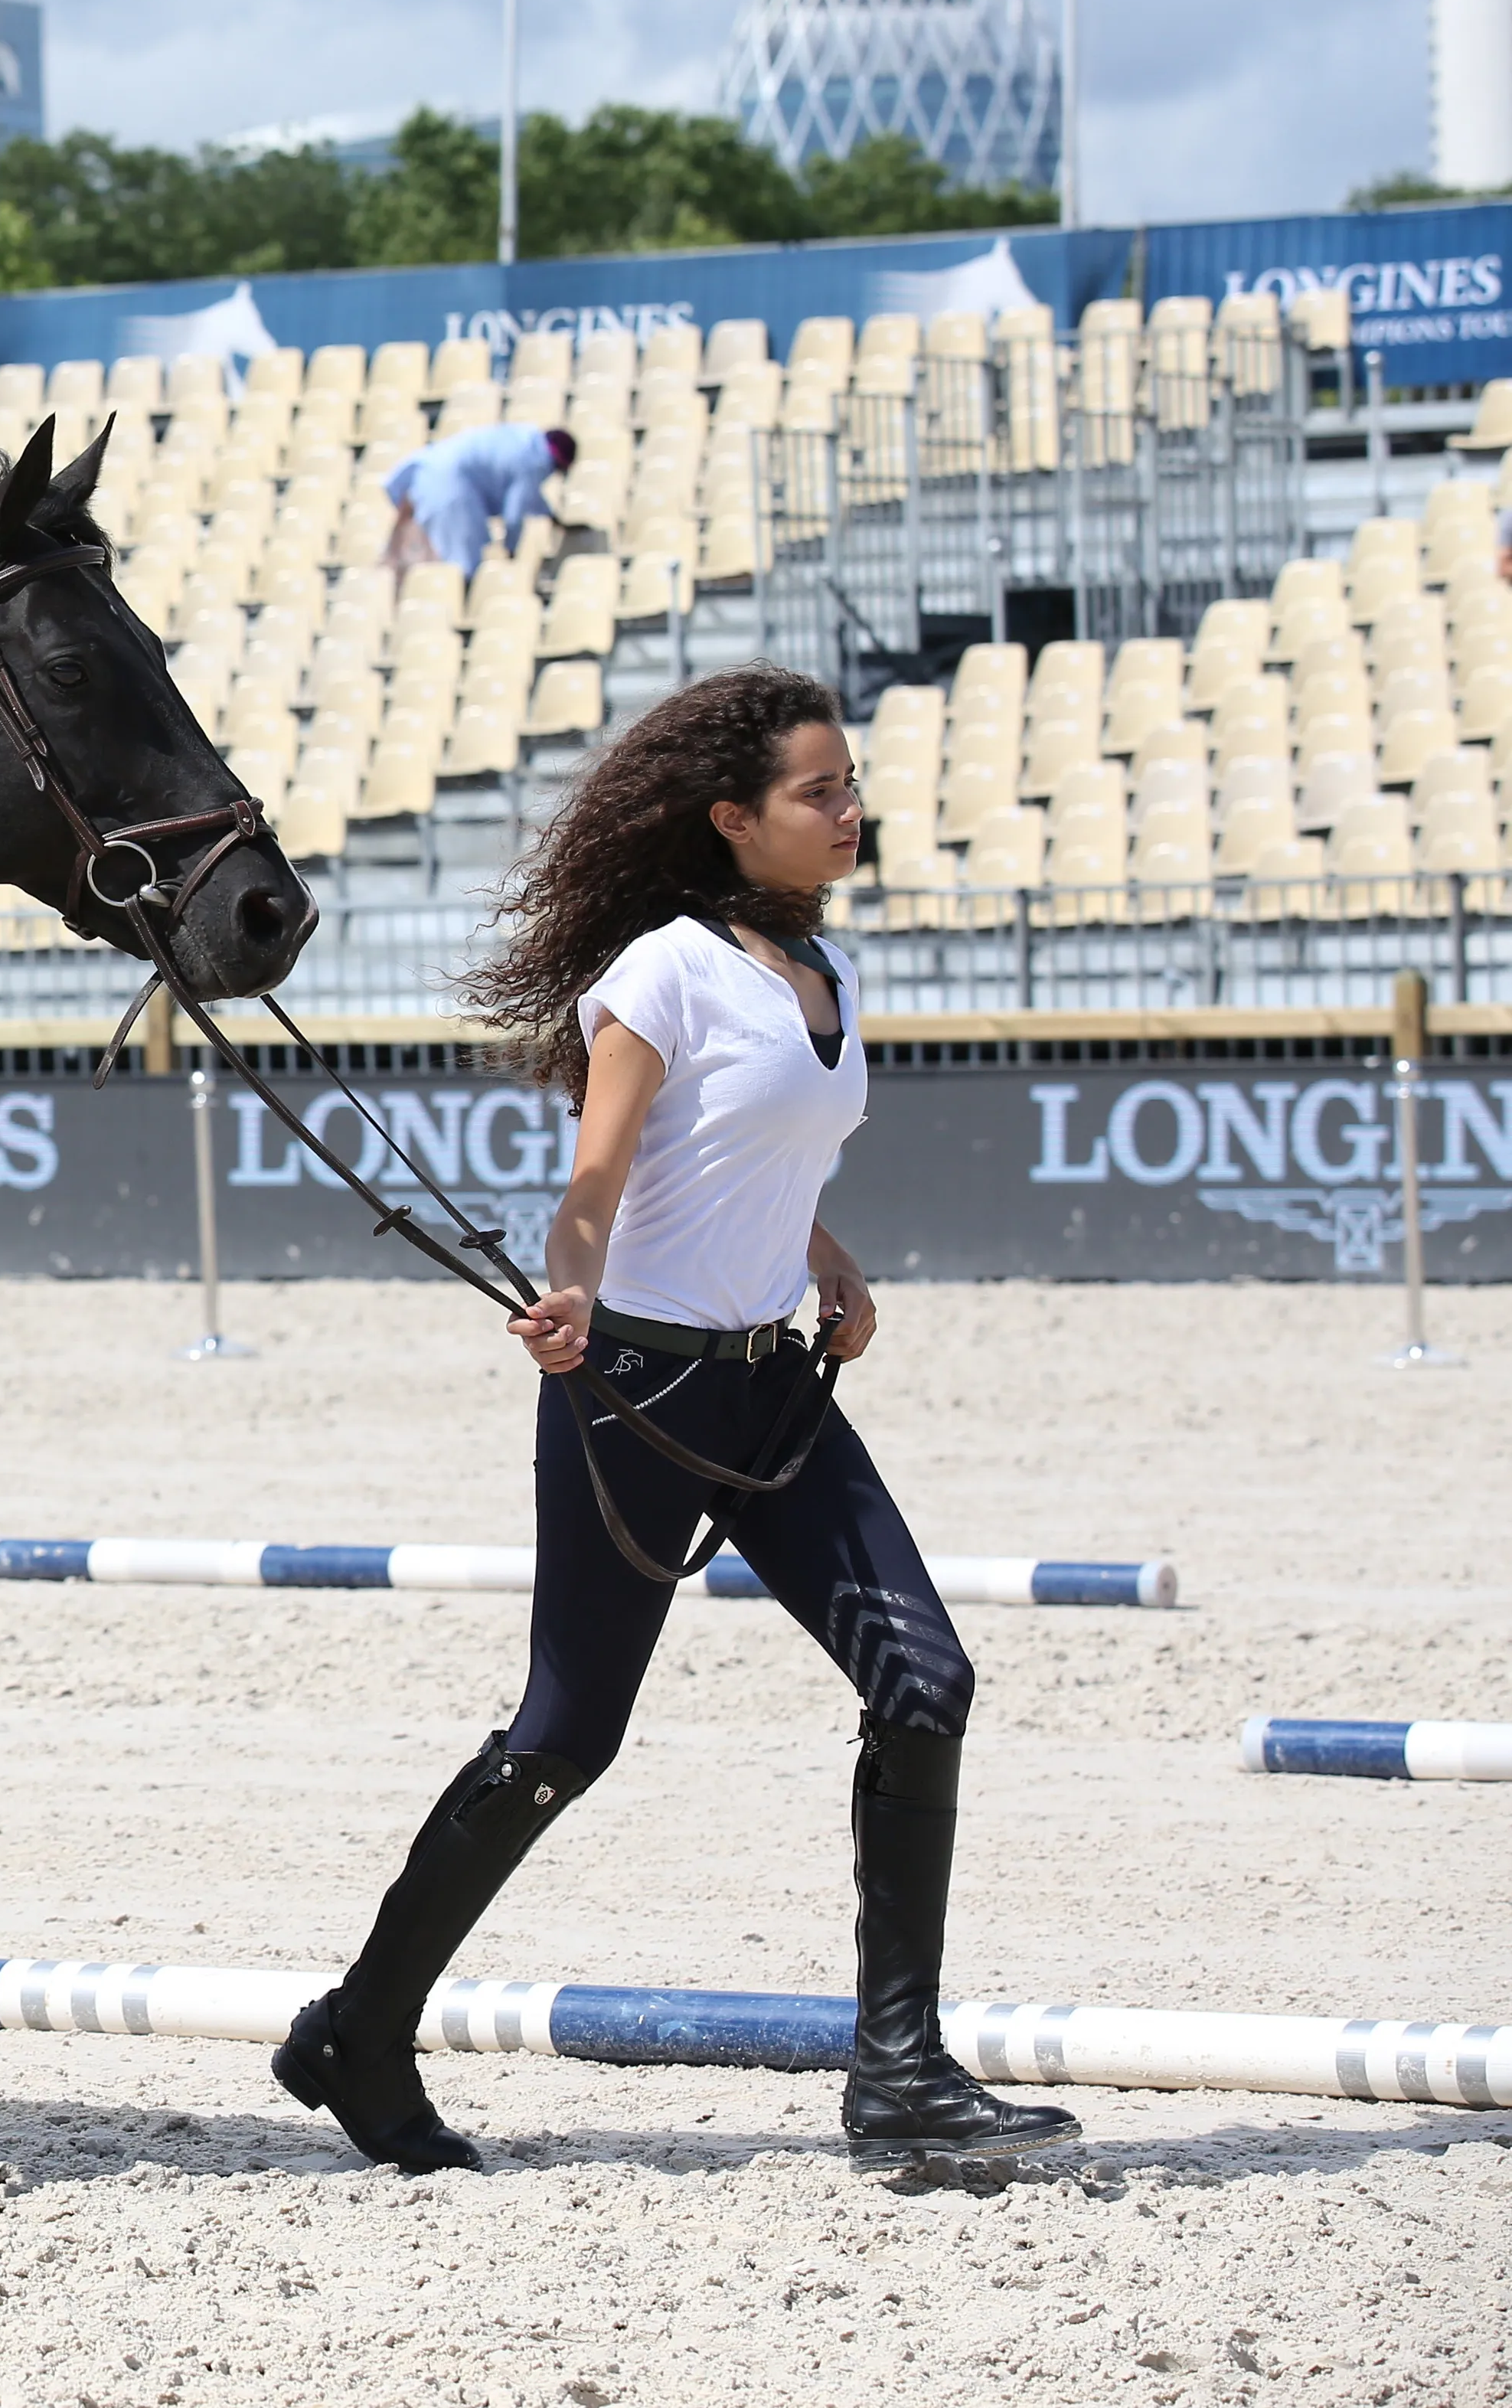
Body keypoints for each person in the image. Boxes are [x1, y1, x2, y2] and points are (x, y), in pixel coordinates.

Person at [268, 665, 1081, 2182]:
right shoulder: (659, 972)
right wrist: (561, 1299)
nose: (851, 810)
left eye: (848, 786)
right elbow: (596, 1179)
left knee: (921, 1677)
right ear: (730, 819)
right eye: (818, 792)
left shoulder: (824, 972)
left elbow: (756, 1159)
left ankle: (896, 2068)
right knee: (563, 1737)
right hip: (631, 1391)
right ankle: (359, 2030)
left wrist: (826, 1263)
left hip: (772, 1380)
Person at [382, 423, 573, 573]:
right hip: (451, 488)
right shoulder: (536, 462)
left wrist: (553, 518)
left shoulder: (524, 440)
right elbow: (515, 512)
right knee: (461, 568)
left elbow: (529, 496)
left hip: (426, 475)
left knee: (430, 563)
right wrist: (511, 551)